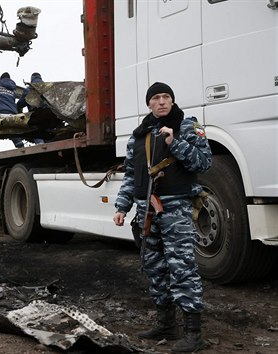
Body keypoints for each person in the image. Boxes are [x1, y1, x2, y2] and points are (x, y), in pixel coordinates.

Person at [113, 82, 212, 353]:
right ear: (149, 104)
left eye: (166, 97)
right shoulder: (139, 135)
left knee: (182, 268)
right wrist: (122, 207)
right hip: (147, 211)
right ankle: (166, 324)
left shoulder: (187, 127)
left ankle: (193, 333)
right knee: (154, 267)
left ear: (172, 100)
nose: (161, 102)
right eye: (156, 98)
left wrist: (174, 143)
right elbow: (132, 177)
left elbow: (204, 163)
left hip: (176, 208)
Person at [0, 72, 23, 151]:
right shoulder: (13, 90)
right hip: (11, 115)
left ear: (1, 79)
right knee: (14, 134)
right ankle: (22, 149)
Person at [16, 72, 46, 144]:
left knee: (38, 136)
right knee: (49, 134)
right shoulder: (47, 87)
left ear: (32, 79)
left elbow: (21, 104)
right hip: (50, 114)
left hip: (36, 115)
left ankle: (41, 149)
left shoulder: (29, 89)